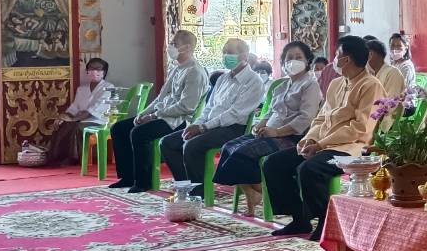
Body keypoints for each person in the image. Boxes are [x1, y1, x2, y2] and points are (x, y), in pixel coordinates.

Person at [266, 34, 383, 239]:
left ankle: (325, 221)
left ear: (346, 59)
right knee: (274, 163)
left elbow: (360, 128)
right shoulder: (336, 84)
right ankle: (299, 218)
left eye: (337, 55)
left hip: (351, 148)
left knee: (310, 169)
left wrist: (320, 144)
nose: (334, 60)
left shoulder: (371, 85)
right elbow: (321, 117)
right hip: (322, 143)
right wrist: (310, 139)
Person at [214, 40, 323, 211]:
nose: (293, 61)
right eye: (289, 58)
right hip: (269, 132)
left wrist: (277, 132)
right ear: (283, 62)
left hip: (292, 137)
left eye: (298, 57)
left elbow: (305, 118)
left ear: (307, 61)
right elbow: (270, 111)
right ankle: (252, 191)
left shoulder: (310, 85)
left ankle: (259, 190)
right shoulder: (282, 85)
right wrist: (260, 125)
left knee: (243, 153)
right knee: (228, 147)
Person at [109, 30, 208, 193]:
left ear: (188, 47)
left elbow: (186, 107)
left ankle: (143, 181)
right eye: (171, 43)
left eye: (175, 44)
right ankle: (127, 176)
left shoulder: (195, 72)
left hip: (178, 121)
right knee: (119, 128)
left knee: (139, 133)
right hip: (162, 114)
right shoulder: (176, 68)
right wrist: (143, 113)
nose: (170, 47)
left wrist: (154, 116)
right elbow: (161, 97)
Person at [160, 38, 264, 185]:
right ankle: (185, 185)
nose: (226, 56)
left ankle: (199, 191)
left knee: (191, 146)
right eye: (224, 52)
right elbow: (208, 107)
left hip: (234, 128)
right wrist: (196, 124)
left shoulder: (253, 81)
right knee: (167, 143)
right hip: (210, 125)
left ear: (244, 56)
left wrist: (203, 127)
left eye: (230, 52)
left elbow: (234, 114)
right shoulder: (223, 78)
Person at [43, 57, 115, 166]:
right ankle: (56, 158)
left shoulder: (109, 87)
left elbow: (94, 109)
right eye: (91, 68)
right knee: (61, 124)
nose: (94, 71)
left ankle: (73, 158)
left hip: (99, 121)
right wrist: (62, 117)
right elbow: (74, 108)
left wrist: (73, 119)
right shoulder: (82, 89)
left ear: (104, 72)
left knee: (75, 126)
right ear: (87, 71)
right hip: (80, 119)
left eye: (98, 69)